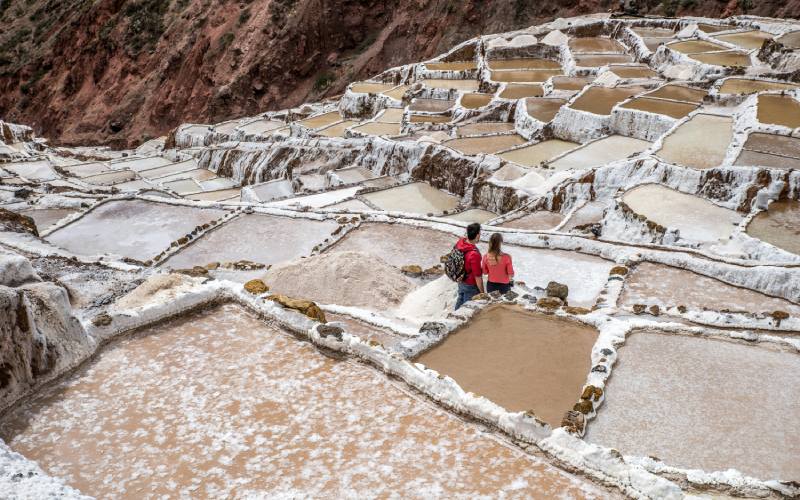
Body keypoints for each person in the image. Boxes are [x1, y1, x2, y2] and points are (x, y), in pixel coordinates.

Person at [454, 223, 484, 310]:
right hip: (470, 285)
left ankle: (453, 318)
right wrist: (482, 292)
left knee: (460, 302)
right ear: (478, 235)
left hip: (460, 279)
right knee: (467, 308)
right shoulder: (474, 254)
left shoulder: (461, 242)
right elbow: (478, 276)